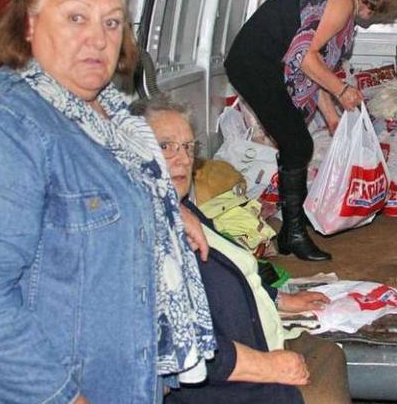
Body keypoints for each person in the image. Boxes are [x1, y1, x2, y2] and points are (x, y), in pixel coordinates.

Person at [0, 0, 216, 403]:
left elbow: (105, 201)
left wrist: (160, 211)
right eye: (77, 18)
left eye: (112, 22)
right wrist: (61, 397)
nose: (98, 38)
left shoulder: (114, 119)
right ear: (29, 24)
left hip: (122, 380)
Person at [131, 95, 352, 404]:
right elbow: (178, 342)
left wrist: (279, 299)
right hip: (226, 383)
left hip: (256, 344)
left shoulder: (186, 212)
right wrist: (266, 366)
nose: (182, 158)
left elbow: (227, 272)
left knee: (328, 354)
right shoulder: (141, 236)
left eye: (188, 147)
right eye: (165, 146)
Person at [225, 0, 397, 261]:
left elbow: (313, 64)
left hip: (260, 63)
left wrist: (332, 115)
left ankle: (290, 231)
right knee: (297, 143)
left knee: (295, 143)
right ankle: (293, 233)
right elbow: (304, 57)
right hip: (254, 63)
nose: (374, 15)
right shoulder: (341, 1)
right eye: (379, 6)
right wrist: (342, 90)